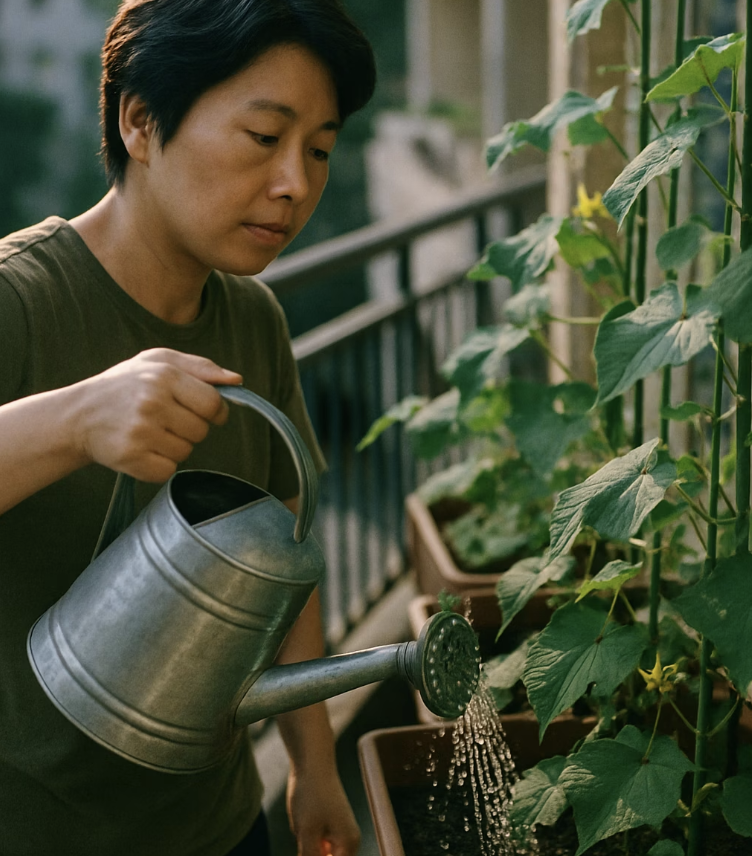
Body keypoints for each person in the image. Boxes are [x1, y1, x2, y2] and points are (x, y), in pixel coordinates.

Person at [0, 1, 376, 854]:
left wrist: (313, 767)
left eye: (318, 149)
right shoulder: (20, 299)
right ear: (139, 120)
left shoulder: (253, 318)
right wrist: (75, 418)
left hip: (222, 822)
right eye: (263, 137)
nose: (296, 184)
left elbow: (289, 556)